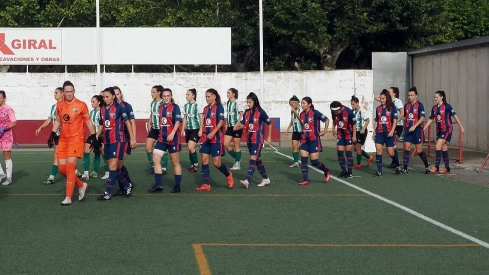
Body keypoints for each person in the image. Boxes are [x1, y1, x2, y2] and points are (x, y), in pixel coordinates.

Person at [48, 81, 97, 205]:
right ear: (63, 93)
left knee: (70, 167)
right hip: (63, 139)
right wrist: (52, 134)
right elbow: (58, 121)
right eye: (67, 92)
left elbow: (89, 122)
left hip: (76, 139)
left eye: (71, 91)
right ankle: (81, 185)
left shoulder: (81, 105)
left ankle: (68, 197)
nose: (69, 94)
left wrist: (93, 137)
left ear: (74, 91)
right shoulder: (60, 105)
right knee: (62, 169)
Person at [96, 87, 137, 200]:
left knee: (113, 167)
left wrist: (132, 138)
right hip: (107, 141)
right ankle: (127, 185)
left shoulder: (119, 108)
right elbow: (101, 124)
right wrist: (96, 136)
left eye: (107, 96)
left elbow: (128, 123)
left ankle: (107, 193)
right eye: (104, 97)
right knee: (114, 167)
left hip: (118, 140)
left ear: (113, 96)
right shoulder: (102, 108)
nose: (105, 99)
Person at [195, 88, 234, 191]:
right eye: (206, 97)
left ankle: (228, 174)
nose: (207, 98)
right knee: (204, 160)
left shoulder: (219, 107)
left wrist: (213, 132)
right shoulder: (205, 109)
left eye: (208, 96)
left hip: (216, 138)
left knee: (216, 163)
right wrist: (201, 130)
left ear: (214, 96)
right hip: (206, 138)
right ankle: (206, 184)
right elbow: (204, 121)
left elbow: (221, 122)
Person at [148, 88, 183, 193]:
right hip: (162, 139)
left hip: (173, 139)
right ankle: (158, 184)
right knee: (156, 159)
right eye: (164, 96)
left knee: (175, 163)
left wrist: (172, 133)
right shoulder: (160, 108)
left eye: (168, 96)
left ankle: (177, 186)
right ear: (162, 97)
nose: (166, 98)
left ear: (171, 96)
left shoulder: (175, 107)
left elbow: (177, 121)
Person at [234, 92, 272, 188]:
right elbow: (243, 124)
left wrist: (269, 136)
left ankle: (247, 180)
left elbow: (270, 123)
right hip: (249, 140)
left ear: (254, 101)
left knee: (252, 159)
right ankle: (266, 179)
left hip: (257, 140)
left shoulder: (260, 112)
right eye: (247, 102)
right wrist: (239, 126)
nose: (248, 104)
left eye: (250, 102)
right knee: (257, 160)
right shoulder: (246, 112)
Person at [423, 90, 465, 173]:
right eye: (434, 97)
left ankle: (436, 167)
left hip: (447, 129)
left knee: (437, 146)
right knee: (443, 147)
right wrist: (424, 128)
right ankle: (447, 168)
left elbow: (455, 116)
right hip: (439, 130)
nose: (435, 98)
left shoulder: (447, 106)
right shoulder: (434, 108)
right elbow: (431, 119)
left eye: (437, 97)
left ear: (442, 97)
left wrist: (461, 126)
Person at [293, 97, 331, 186]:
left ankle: (326, 170)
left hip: (314, 140)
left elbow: (326, 119)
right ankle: (306, 180)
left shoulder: (315, 113)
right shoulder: (301, 114)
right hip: (305, 140)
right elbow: (303, 123)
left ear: (309, 104)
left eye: (304, 103)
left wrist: (325, 130)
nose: (302, 105)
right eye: (301, 103)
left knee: (314, 161)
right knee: (303, 160)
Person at [399, 87, 431, 174]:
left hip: (418, 130)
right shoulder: (406, 106)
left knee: (419, 150)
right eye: (409, 95)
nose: (410, 97)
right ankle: (405, 168)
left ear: (416, 96)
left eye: (412, 95)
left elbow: (422, 118)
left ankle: (427, 165)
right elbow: (405, 117)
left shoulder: (420, 105)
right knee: (406, 147)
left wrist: (414, 126)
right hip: (408, 129)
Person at [35, 87, 63, 185]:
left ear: (62, 94)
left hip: (64, 135)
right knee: (57, 154)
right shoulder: (53, 107)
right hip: (56, 134)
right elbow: (49, 120)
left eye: (56, 93)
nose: (54, 94)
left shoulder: (65, 105)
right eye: (54, 93)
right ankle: (52, 177)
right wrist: (40, 128)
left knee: (59, 154)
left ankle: (52, 177)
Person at [113, 86, 136, 195]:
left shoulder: (126, 106)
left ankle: (127, 185)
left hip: (126, 138)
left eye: (118, 94)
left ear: (121, 94)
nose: (116, 96)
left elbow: (132, 123)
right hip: (115, 139)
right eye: (115, 94)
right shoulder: (111, 107)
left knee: (118, 165)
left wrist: (133, 138)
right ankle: (125, 186)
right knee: (117, 165)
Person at [372, 89, 400, 176]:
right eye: (381, 98)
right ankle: (379, 170)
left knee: (390, 152)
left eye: (383, 98)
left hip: (388, 133)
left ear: (387, 98)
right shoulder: (378, 109)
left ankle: (398, 164)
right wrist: (374, 132)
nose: (382, 100)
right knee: (378, 150)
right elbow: (377, 120)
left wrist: (392, 131)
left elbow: (395, 121)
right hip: (380, 133)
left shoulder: (392, 108)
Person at [375, 87, 404, 167]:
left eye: (389, 91)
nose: (388, 92)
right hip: (386, 126)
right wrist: (384, 91)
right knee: (389, 147)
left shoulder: (397, 101)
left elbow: (402, 112)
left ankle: (396, 161)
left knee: (392, 144)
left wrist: (397, 120)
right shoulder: (383, 102)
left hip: (397, 125)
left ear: (394, 93)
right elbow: (376, 97)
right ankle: (395, 161)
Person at [145, 85, 169, 175]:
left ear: (159, 92)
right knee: (148, 147)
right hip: (154, 128)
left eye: (153, 92)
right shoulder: (153, 103)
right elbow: (152, 114)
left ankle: (163, 168)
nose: (152, 94)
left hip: (162, 129)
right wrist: (149, 122)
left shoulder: (163, 103)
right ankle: (154, 166)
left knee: (163, 149)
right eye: (151, 92)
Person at [330, 101, 356, 178]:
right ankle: (343, 171)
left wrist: (354, 136)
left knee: (348, 153)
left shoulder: (349, 112)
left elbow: (354, 124)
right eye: (334, 111)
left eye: (337, 111)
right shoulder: (334, 112)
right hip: (340, 134)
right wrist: (333, 128)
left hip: (348, 134)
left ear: (341, 108)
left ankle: (350, 172)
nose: (336, 112)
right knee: (340, 153)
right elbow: (334, 120)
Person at [81, 95, 104, 180]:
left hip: (101, 136)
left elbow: (102, 125)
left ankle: (106, 172)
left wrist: (98, 136)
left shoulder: (102, 112)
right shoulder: (91, 112)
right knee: (86, 152)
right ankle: (86, 173)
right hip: (92, 135)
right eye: (91, 101)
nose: (92, 103)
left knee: (101, 154)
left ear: (99, 102)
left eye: (93, 101)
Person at [181, 88, 203, 173]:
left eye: (188, 94)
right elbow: (185, 118)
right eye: (186, 94)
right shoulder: (186, 106)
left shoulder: (197, 105)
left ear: (193, 96)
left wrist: (201, 129)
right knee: (190, 148)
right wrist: (183, 129)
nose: (186, 96)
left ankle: (196, 164)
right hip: (188, 129)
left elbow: (201, 118)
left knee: (191, 146)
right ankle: (192, 165)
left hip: (196, 129)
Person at [350, 95, 374, 168]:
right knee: (356, 148)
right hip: (355, 132)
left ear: (357, 103)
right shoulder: (352, 112)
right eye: (351, 104)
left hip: (361, 132)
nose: (352, 106)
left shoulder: (362, 111)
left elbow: (368, 120)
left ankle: (358, 164)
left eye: (353, 104)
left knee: (357, 147)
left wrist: (363, 128)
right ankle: (369, 157)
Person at [224, 88, 244, 170]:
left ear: (234, 94)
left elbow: (241, 114)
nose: (227, 94)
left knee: (236, 145)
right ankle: (237, 158)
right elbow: (228, 115)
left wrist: (237, 124)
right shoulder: (228, 102)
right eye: (227, 93)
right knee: (225, 144)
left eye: (229, 93)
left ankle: (237, 164)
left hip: (237, 126)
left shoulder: (237, 103)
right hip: (229, 126)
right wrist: (226, 124)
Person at [0, 90, 17, 186]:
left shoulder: (8, 109)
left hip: (6, 136)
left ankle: (9, 177)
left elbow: (14, 122)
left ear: (4, 98)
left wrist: (4, 129)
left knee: (6, 156)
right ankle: (1, 174)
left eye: (0, 98)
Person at [285, 95, 302, 167]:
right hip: (295, 131)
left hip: (302, 131)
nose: (291, 107)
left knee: (303, 147)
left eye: (292, 105)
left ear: (296, 103)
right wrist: (288, 128)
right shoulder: (292, 111)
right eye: (290, 105)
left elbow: (302, 119)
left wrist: (295, 112)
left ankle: (305, 161)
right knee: (294, 146)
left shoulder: (301, 110)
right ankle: (296, 162)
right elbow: (293, 120)